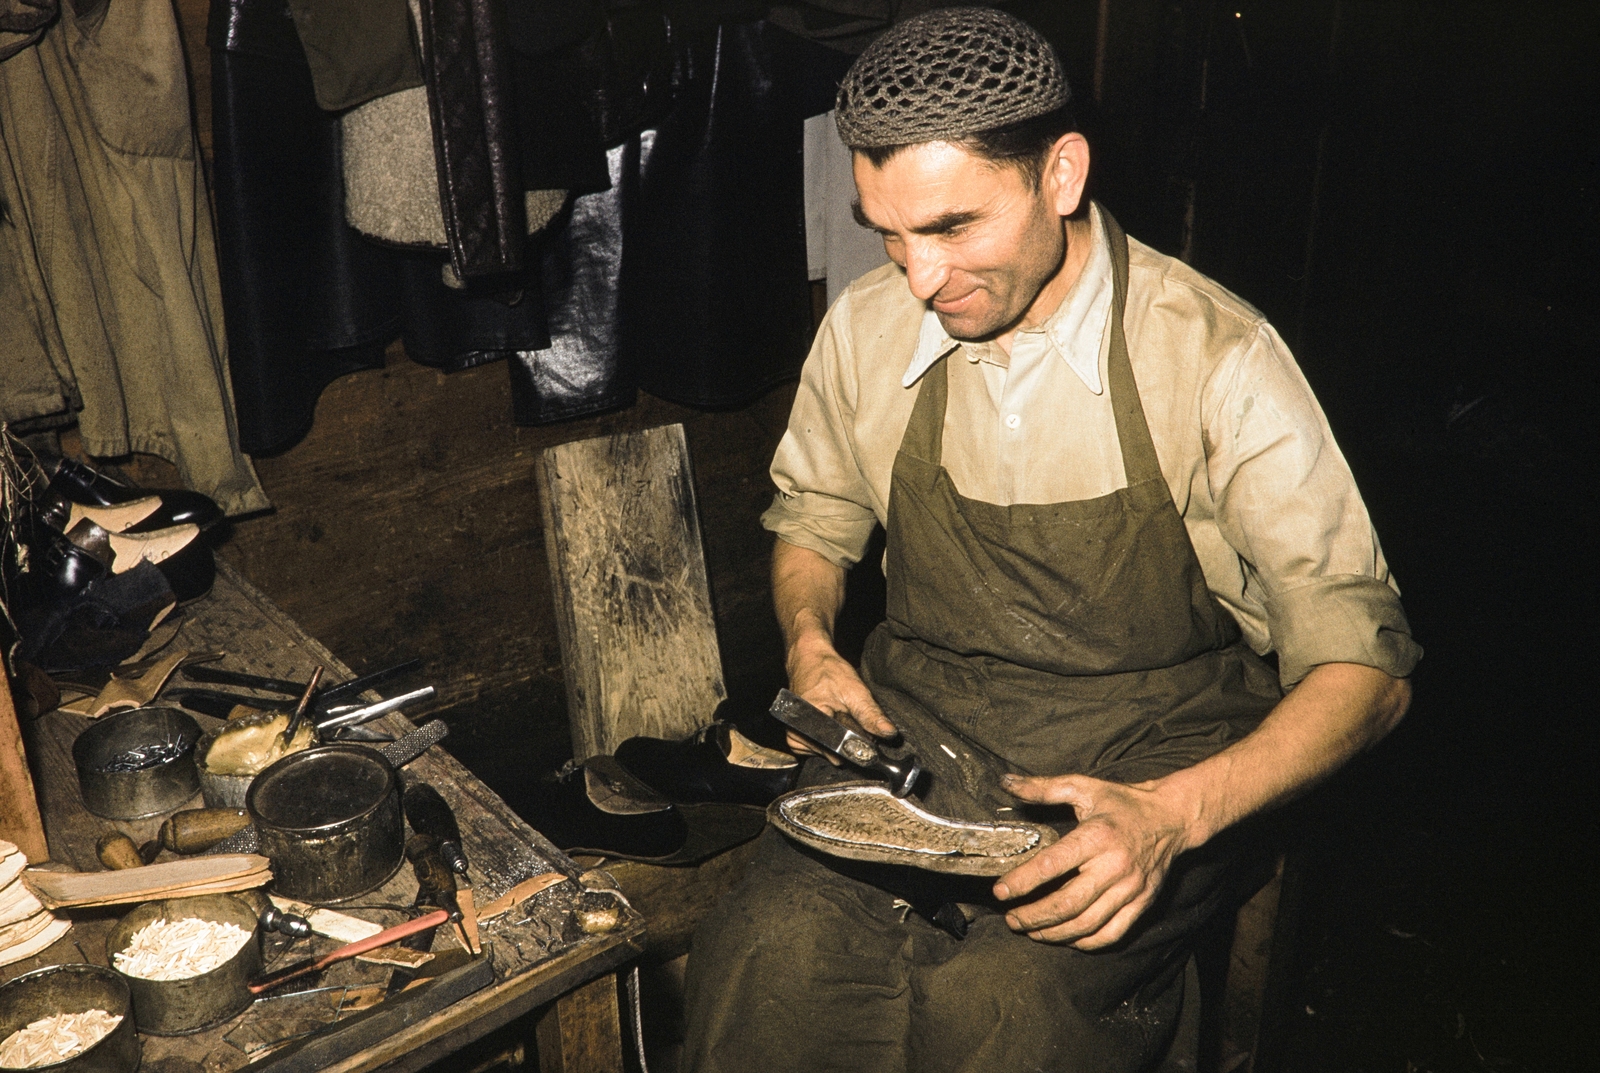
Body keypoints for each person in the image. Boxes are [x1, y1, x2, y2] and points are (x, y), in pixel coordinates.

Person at [683, 8, 1421, 1072]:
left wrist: (1172, 817)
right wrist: (809, 641)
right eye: (886, 230)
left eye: (953, 227)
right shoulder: (867, 323)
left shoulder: (1216, 355)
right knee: (764, 958)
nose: (919, 278)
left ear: (1061, 174)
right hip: (924, 735)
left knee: (1006, 1002)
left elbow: (1367, 669)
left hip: (1157, 750)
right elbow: (813, 518)